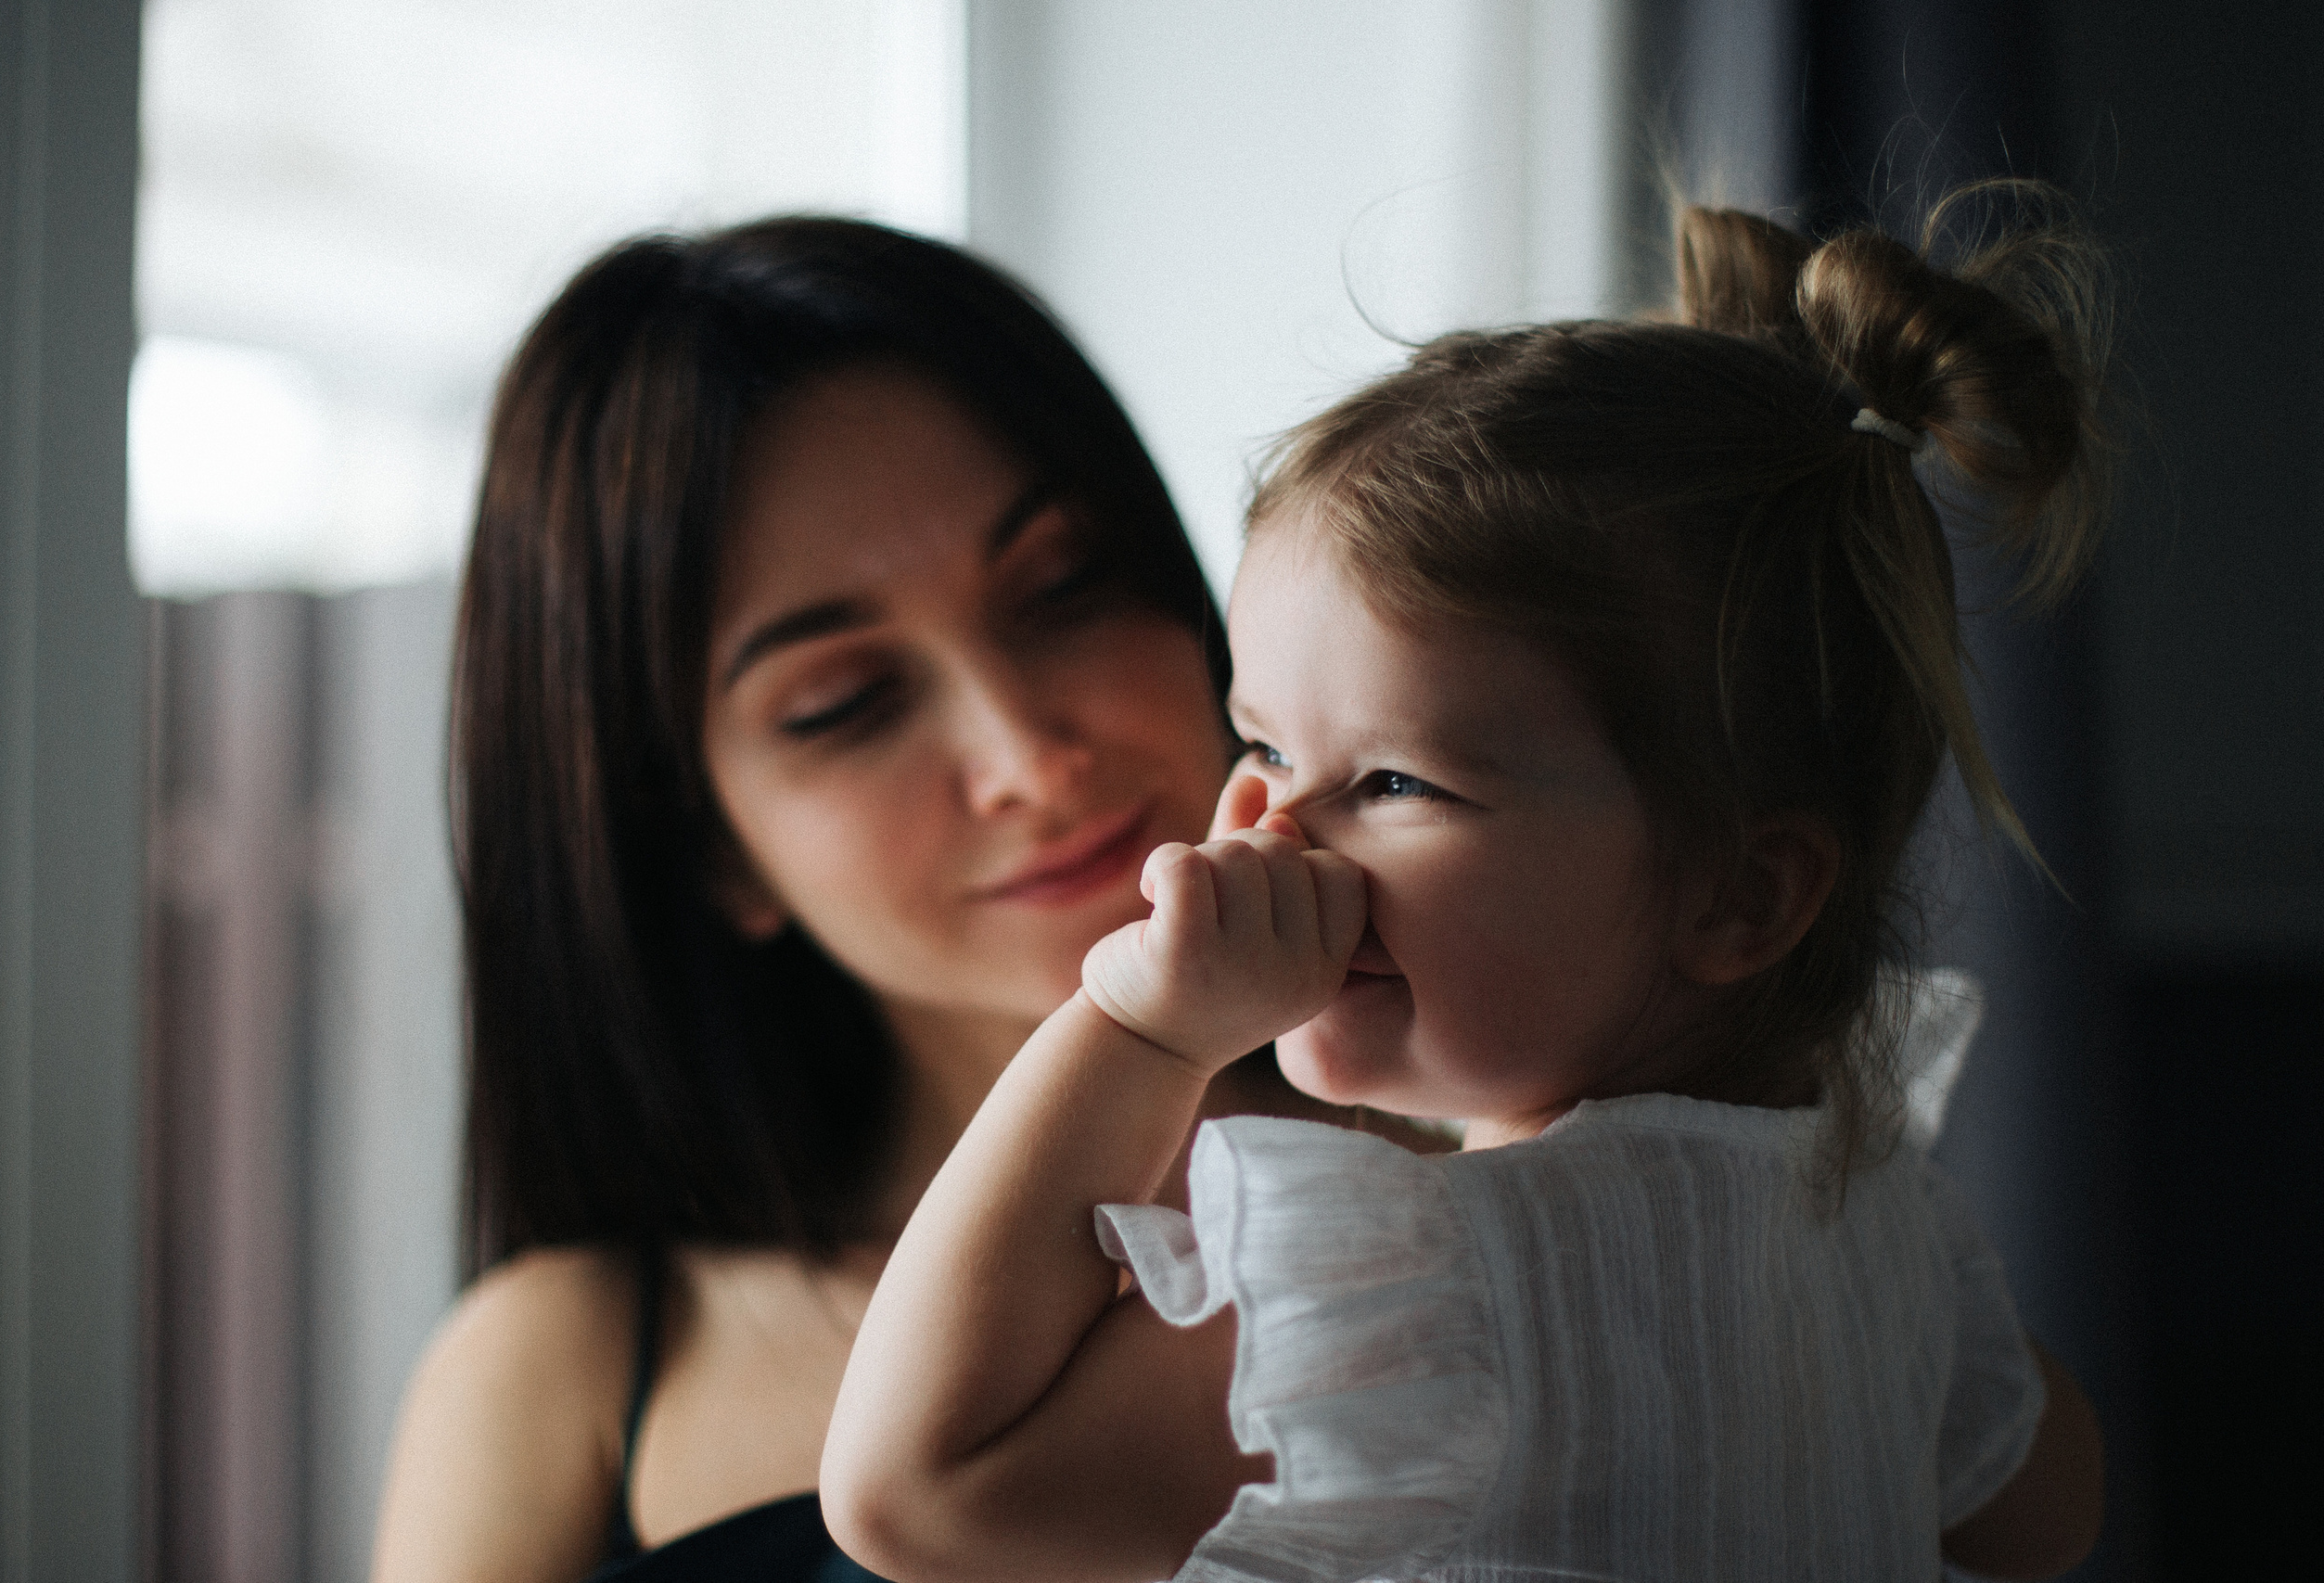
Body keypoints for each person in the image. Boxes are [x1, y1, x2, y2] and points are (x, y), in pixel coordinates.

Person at [824, 184, 2112, 1583]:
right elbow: (2044, 1520)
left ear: (1741, 899)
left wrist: (1141, 1030)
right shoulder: (1881, 1241)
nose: (1266, 828)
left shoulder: (1436, 1309)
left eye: (1392, 783)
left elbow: (916, 1494)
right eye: (1260, 745)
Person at [368, 217, 1405, 1583]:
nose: (1029, 758)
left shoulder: (1528, 1195)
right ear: (710, 852)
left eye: (1067, 587)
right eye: (844, 704)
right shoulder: (565, 1371)